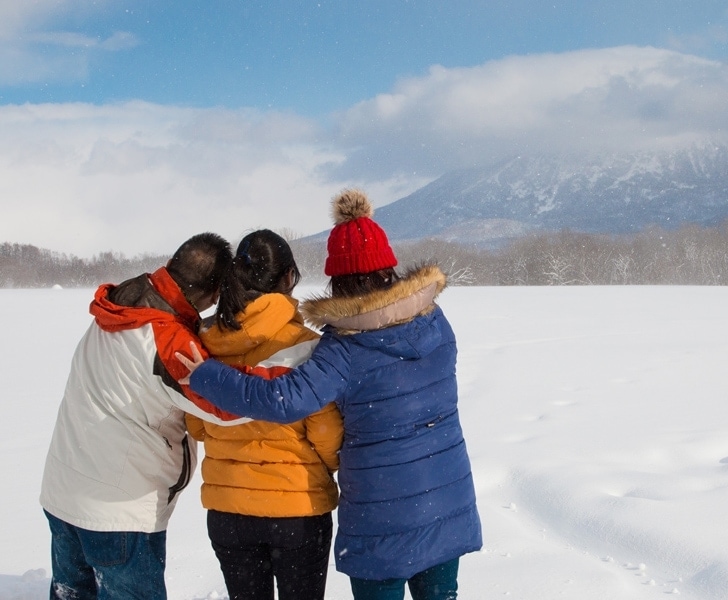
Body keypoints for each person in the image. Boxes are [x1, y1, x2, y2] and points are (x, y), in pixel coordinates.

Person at [178, 190, 482, 600]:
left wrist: (209, 378)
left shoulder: (344, 349)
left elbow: (283, 400)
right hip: (445, 495)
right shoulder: (435, 323)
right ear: (389, 266)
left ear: (337, 280)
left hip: (383, 513)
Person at [40, 232, 248, 600]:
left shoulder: (123, 301)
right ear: (214, 291)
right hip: (118, 512)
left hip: (63, 492)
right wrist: (300, 372)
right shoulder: (166, 339)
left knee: (72, 592)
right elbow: (229, 404)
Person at [184, 229, 343, 600]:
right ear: (289, 278)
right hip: (297, 509)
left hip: (228, 512)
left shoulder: (205, 345)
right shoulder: (304, 346)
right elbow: (328, 438)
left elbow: (198, 424)